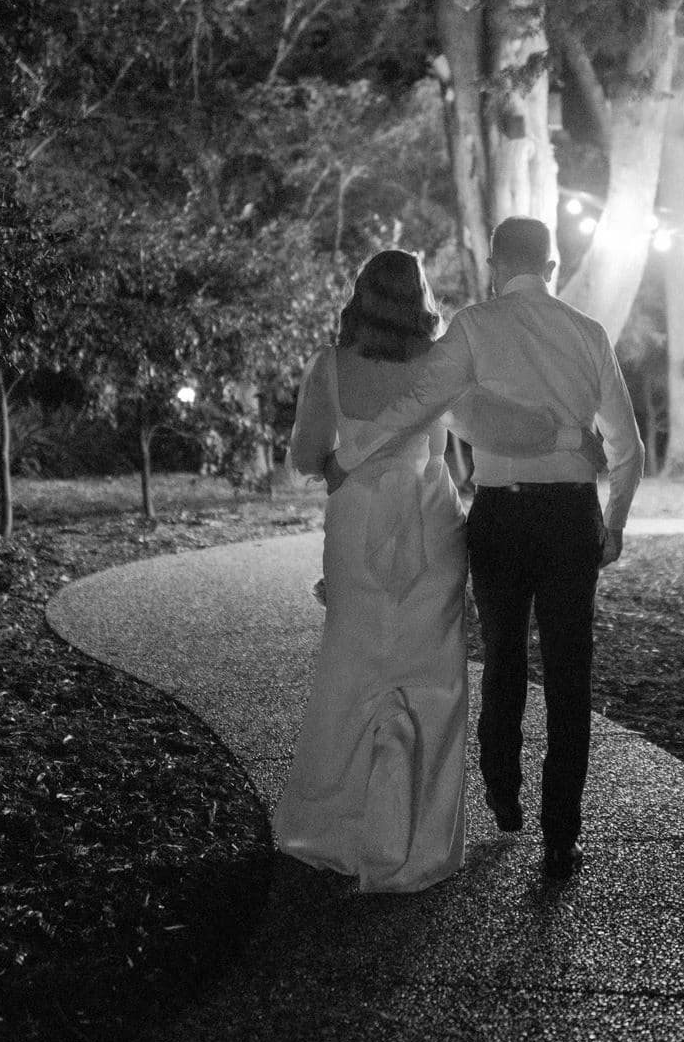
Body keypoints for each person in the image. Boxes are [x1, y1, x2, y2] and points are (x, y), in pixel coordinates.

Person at [327, 217, 643, 880]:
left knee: (501, 659)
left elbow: (415, 402)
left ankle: (502, 788)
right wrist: (612, 524)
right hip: (568, 519)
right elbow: (627, 447)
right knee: (568, 674)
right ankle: (561, 835)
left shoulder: (471, 327)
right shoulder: (587, 334)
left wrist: (349, 455)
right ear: (553, 266)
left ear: (496, 262)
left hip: (500, 516)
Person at [275, 249, 579, 892]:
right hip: (430, 530)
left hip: (356, 530)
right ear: (421, 304)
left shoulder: (327, 369)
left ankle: (342, 829)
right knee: (430, 679)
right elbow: (497, 426)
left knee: (353, 665)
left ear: (359, 299)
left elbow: (307, 455)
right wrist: (561, 428)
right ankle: (414, 841)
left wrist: (345, 451)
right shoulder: (441, 371)